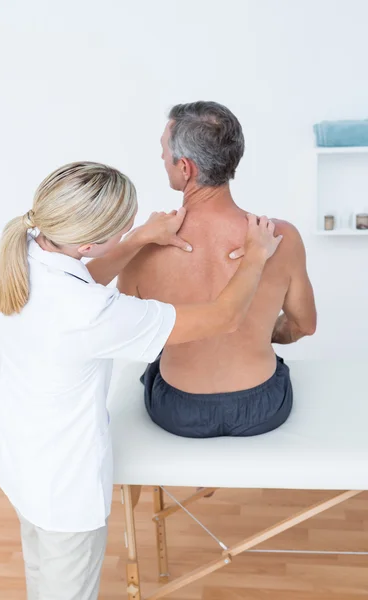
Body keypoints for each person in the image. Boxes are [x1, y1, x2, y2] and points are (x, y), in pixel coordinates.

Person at [0, 161, 281, 600]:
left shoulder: (12, 247)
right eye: (122, 228)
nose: (129, 232)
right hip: (64, 485)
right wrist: (256, 254)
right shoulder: (90, 314)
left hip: (18, 456)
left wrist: (141, 236)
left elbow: (84, 277)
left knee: (39, 570)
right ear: (87, 242)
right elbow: (224, 317)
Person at [112, 102, 317, 439]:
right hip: (262, 404)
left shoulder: (144, 246)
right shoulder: (281, 237)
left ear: (185, 167)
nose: (162, 159)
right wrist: (258, 333)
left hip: (178, 410)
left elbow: (129, 334)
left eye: (164, 152)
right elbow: (304, 324)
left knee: (154, 368)